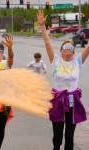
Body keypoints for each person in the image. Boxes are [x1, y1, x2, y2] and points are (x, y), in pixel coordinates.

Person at [37, 10, 89, 150]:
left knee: (69, 135)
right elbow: (47, 43)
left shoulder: (77, 61)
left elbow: (88, 48)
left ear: (73, 51)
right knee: (58, 134)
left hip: (73, 101)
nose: (68, 50)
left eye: (70, 48)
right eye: (65, 48)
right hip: (58, 100)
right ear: (61, 51)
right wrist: (42, 27)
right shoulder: (56, 61)